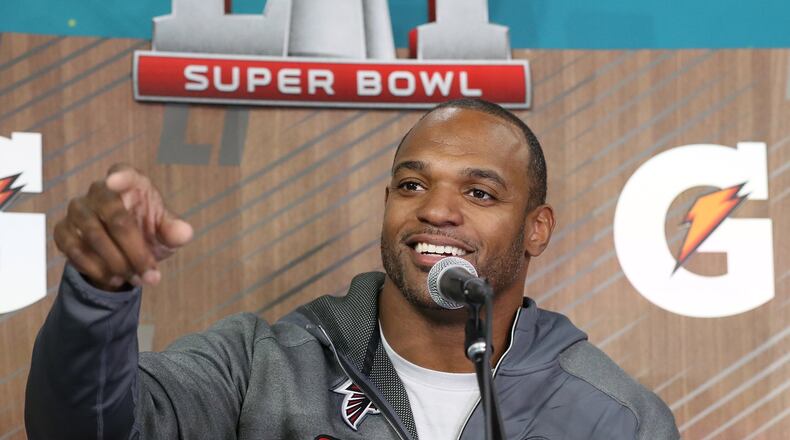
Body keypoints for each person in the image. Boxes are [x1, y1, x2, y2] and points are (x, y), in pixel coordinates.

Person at [25, 98, 679, 439]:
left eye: (479, 194)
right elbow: (83, 430)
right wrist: (98, 295)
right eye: (411, 186)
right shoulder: (262, 366)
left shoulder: (616, 416)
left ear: (537, 229)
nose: (437, 212)